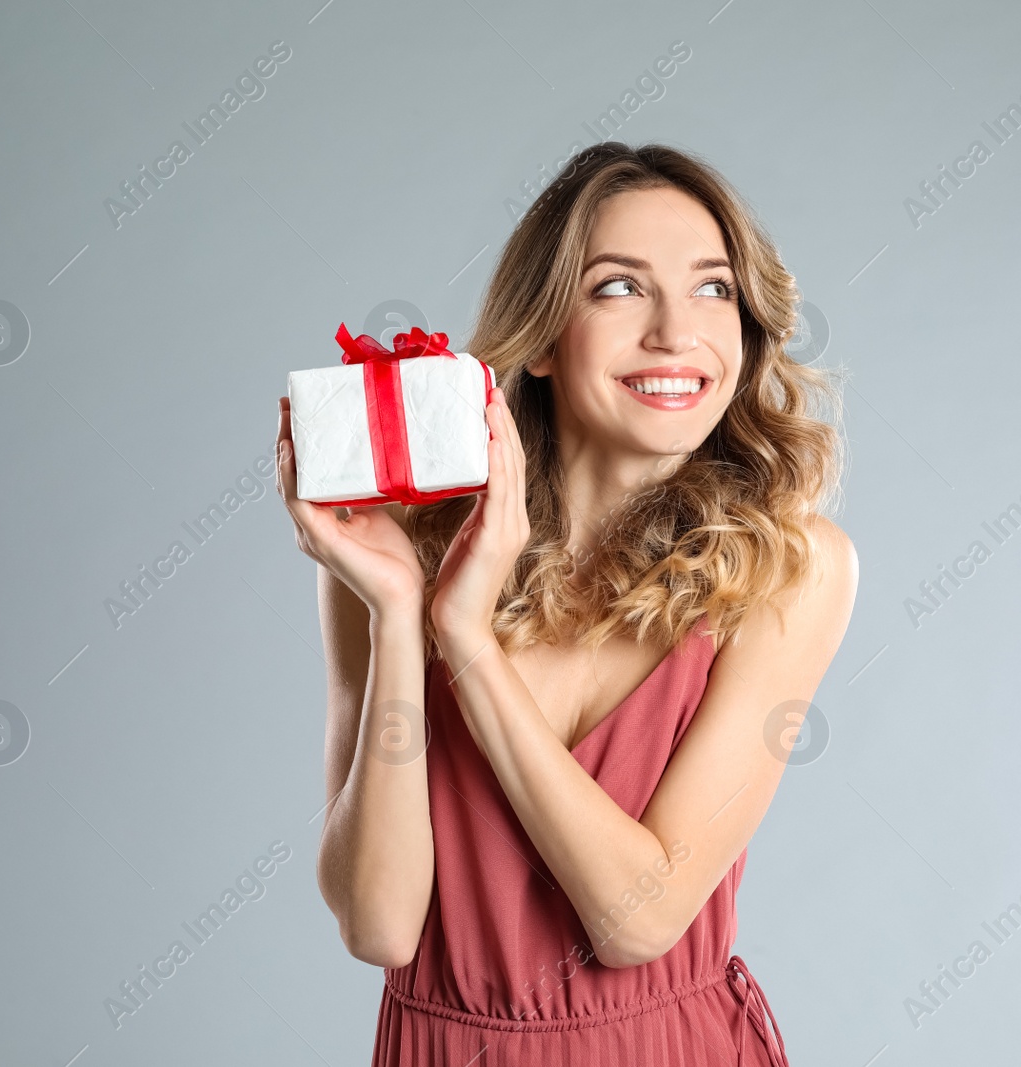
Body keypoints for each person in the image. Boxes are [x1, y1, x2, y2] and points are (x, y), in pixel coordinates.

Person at [274, 142, 857, 1065]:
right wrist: (396, 610)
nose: (677, 332)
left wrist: (465, 637)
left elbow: (642, 918)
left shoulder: (788, 569)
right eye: (620, 289)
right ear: (541, 338)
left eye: (713, 289)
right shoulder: (396, 551)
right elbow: (379, 926)